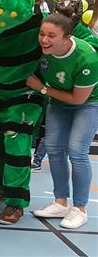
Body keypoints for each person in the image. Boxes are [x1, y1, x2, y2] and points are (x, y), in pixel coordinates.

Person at [27, 13, 98, 229]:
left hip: (88, 103)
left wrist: (41, 88)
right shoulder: (42, 51)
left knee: (77, 151)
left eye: (51, 36)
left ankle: (80, 208)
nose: (44, 40)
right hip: (58, 100)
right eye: (42, 34)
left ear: (67, 38)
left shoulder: (87, 58)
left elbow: (79, 98)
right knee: (55, 149)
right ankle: (60, 202)